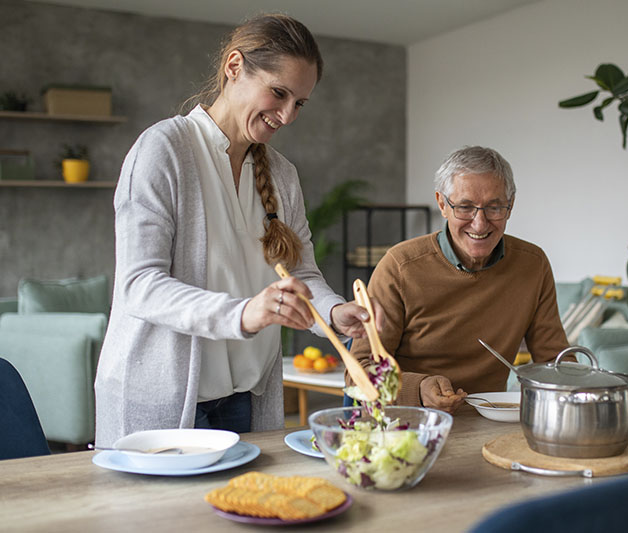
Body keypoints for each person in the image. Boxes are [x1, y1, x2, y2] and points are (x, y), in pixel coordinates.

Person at [94, 14, 381, 446]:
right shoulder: (163, 150)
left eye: (299, 103)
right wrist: (243, 314)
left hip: (245, 398)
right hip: (165, 401)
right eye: (279, 93)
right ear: (234, 67)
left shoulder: (281, 175)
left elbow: (300, 275)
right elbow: (140, 285)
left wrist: (334, 315)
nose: (287, 115)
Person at [349, 146, 568, 413]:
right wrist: (418, 389)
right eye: (465, 207)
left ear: (510, 206)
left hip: (490, 423)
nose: (480, 223)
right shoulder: (400, 266)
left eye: (494, 207)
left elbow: (556, 364)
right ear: (442, 204)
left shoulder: (532, 264)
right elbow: (358, 373)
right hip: (408, 424)